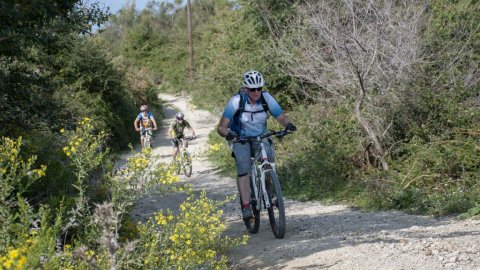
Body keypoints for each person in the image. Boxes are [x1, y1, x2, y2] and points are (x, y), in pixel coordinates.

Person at [216, 70, 297, 221]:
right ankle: (246, 206)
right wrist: (229, 134)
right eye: (252, 89)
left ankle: (269, 190)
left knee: (269, 159)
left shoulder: (266, 98)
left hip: (260, 135)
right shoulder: (236, 101)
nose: (256, 92)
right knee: (243, 167)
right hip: (239, 137)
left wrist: (288, 125)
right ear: (245, 88)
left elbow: (280, 116)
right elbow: (221, 127)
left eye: (259, 88)